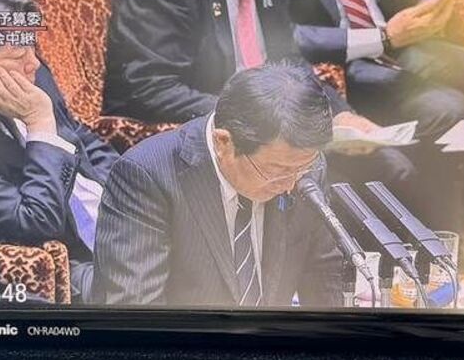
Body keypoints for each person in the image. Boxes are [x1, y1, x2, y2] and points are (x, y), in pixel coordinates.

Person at [102, 0, 415, 203]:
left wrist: (338, 113)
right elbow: (149, 87)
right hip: (222, 124)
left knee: (394, 168)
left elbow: (291, 62)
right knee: (325, 186)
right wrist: (258, 115)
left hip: (280, 122)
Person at [91, 63, 344, 307]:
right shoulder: (148, 176)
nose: (290, 186)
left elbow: (323, 274)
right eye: (276, 171)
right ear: (223, 142)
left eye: (302, 168)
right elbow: (138, 309)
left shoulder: (303, 168)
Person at [0, 0, 119, 303]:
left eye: (32, 47)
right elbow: (35, 220)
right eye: (17, 55)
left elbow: (83, 138)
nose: (34, 63)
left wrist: (127, 195)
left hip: (123, 224)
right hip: (80, 266)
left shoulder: (33, 74)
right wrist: (40, 124)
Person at [289, 0, 464, 137]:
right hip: (345, 63)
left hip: (403, 44)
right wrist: (383, 37)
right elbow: (295, 38)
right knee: (452, 108)